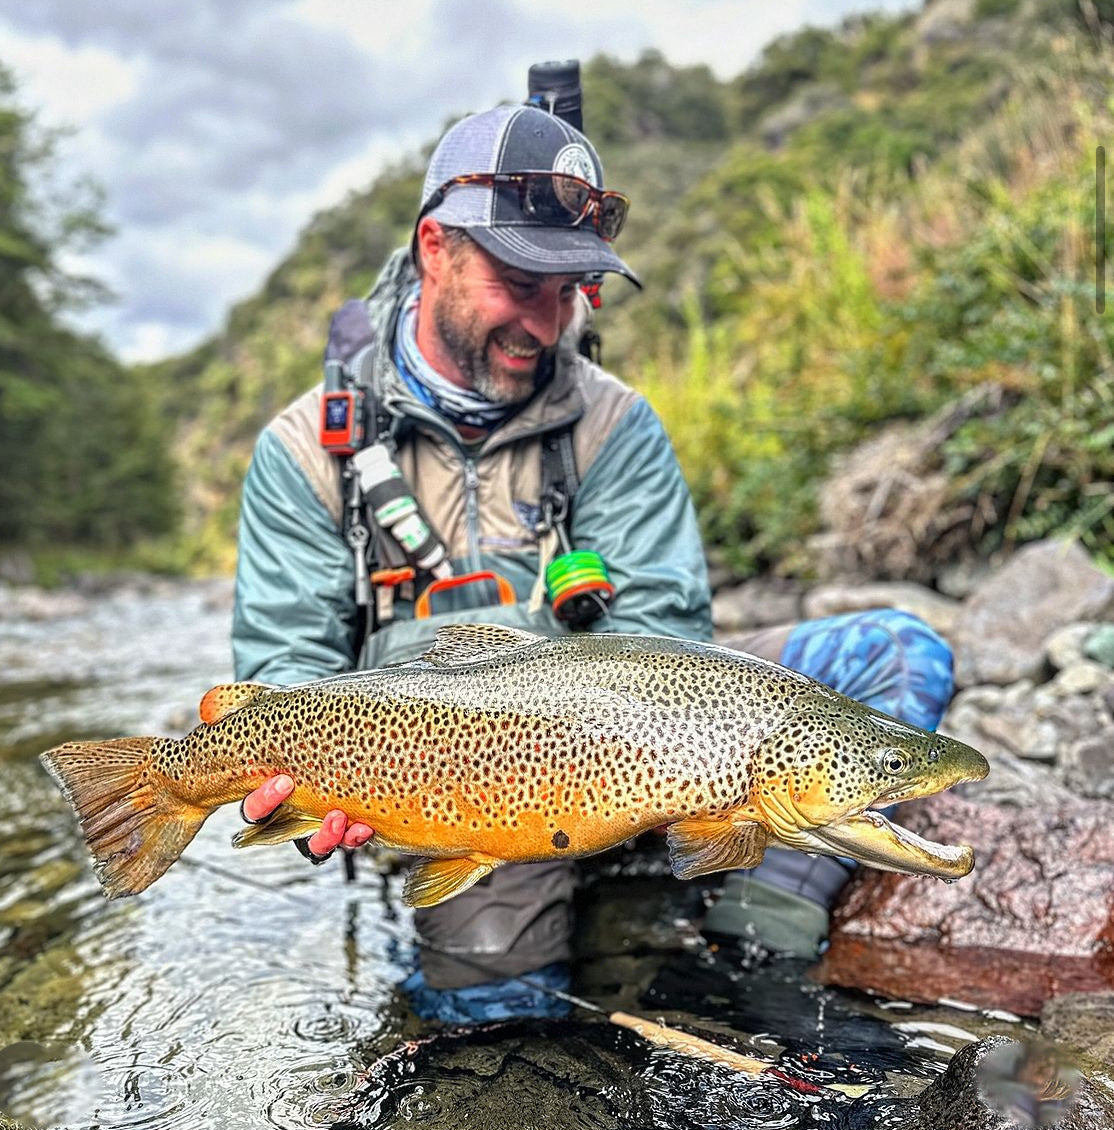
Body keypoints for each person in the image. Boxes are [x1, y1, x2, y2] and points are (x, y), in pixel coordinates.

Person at [231, 103, 956, 1022]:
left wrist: (689, 777)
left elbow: (668, 640)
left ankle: (744, 946)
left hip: (632, 750)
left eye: (567, 286)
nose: (544, 319)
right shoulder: (304, 451)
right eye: (517, 278)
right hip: (447, 782)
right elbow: (284, 668)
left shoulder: (617, 423)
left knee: (897, 653)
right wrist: (307, 791)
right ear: (432, 248)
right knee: (496, 1017)